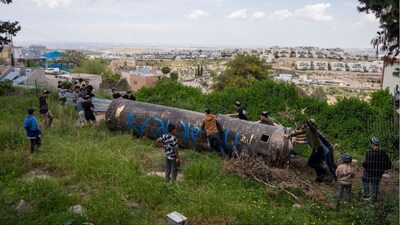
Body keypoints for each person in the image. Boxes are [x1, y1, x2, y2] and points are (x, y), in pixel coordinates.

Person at [362, 137, 392, 202]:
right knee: (375, 185)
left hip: (369, 173)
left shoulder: (369, 153)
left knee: (364, 179)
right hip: (378, 174)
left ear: (372, 144)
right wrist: (382, 169)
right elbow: (389, 165)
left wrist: (363, 163)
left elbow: (366, 164)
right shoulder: (383, 153)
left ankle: (367, 195)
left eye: (370, 143)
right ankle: (373, 200)